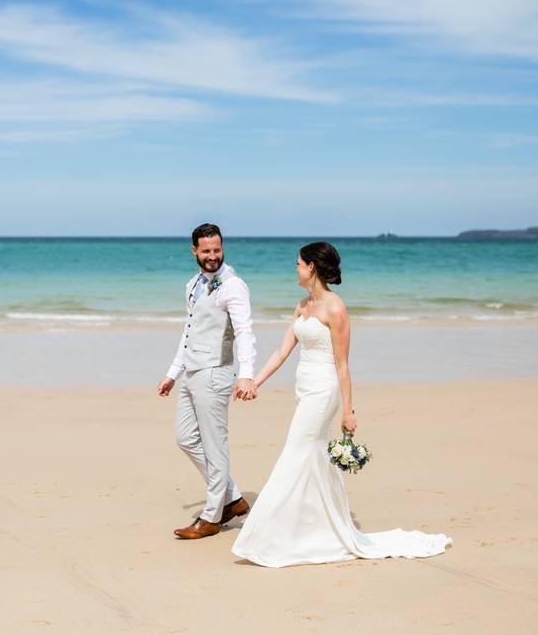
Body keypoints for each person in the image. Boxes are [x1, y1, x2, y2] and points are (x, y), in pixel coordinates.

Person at [231, 242, 452, 566]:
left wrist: (348, 410)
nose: (295, 269)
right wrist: (253, 382)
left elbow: (343, 364)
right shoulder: (302, 305)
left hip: (324, 391)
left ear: (312, 268)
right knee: (313, 460)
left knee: (295, 452)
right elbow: (281, 352)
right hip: (304, 387)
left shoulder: (335, 309)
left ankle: (265, 537)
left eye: (298, 264)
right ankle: (316, 529)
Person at [157, 223, 257, 539]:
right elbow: (188, 332)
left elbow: (244, 332)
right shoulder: (193, 284)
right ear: (195, 251)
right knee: (185, 438)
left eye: (217, 250)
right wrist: (173, 374)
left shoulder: (234, 286)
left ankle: (212, 516)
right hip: (190, 372)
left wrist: (246, 374)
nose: (212, 256)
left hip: (215, 373)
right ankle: (234, 499)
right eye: (206, 251)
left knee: (216, 447)